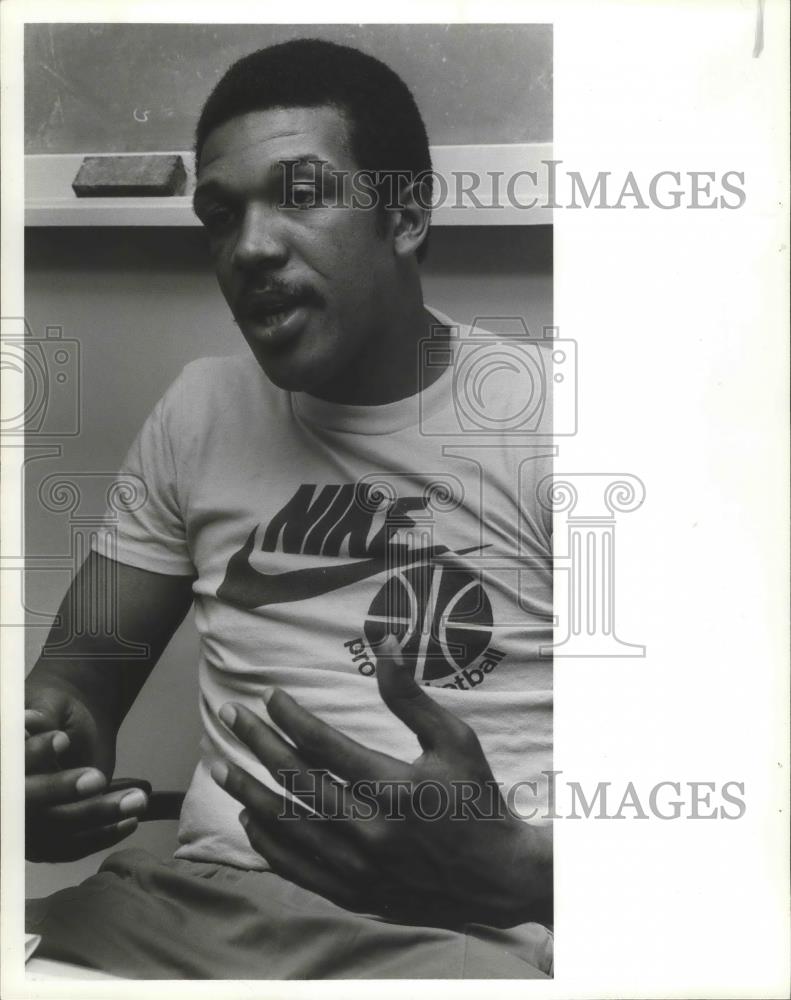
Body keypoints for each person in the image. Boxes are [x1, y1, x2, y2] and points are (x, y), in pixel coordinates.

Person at [25, 38, 554, 979]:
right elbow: (75, 687)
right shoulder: (200, 410)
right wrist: (46, 769)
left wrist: (526, 873)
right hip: (190, 919)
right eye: (220, 216)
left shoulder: (566, 423)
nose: (250, 248)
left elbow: (743, 815)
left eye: (300, 195)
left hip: (464, 936)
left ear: (406, 212)